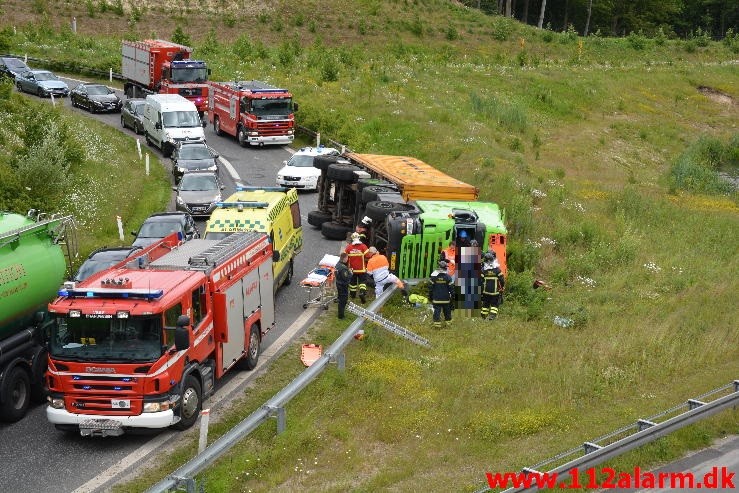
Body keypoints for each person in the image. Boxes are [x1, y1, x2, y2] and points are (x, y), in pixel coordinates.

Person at [344, 232, 370, 303]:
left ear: (352, 239)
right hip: (362, 269)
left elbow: (344, 257)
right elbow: (368, 256)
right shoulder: (363, 246)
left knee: (353, 283)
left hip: (352, 270)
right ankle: (362, 293)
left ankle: (352, 295)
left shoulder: (348, 247)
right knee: (363, 282)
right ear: (359, 238)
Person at [429, 260, 454, 328]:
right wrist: (453, 297)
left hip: (436, 299)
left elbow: (430, 288)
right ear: (445, 268)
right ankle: (448, 325)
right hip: (446, 299)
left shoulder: (434, 277)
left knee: (437, 312)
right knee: (447, 312)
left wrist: (430, 297)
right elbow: (451, 289)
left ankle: (437, 326)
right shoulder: (448, 277)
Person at [480, 251, 505, 320]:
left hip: (486, 292)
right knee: (494, 305)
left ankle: (483, 316)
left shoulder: (483, 270)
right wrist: (502, 287)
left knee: (485, 305)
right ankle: (492, 316)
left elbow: (480, 281)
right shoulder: (497, 270)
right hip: (495, 292)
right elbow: (502, 280)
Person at [335, 252, 352, 319]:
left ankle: (340, 312)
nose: (347, 259)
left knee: (340, 298)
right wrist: (351, 273)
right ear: (344, 258)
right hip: (343, 286)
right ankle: (341, 316)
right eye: (347, 258)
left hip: (338, 283)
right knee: (343, 300)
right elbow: (346, 278)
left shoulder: (337, 264)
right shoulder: (343, 268)